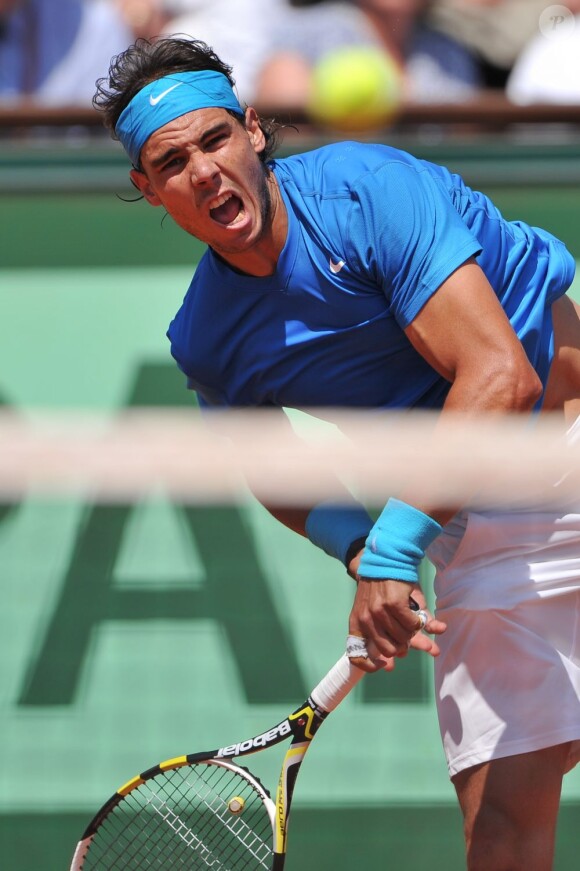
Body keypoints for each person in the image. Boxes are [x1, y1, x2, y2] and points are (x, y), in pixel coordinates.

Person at [93, 36, 580, 870]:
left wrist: (395, 548)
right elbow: (269, 463)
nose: (205, 172)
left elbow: (500, 376)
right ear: (148, 189)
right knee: (500, 835)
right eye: (173, 162)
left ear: (253, 131)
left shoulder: (367, 190)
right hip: (480, 533)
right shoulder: (208, 339)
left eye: (215, 140)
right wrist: (359, 548)